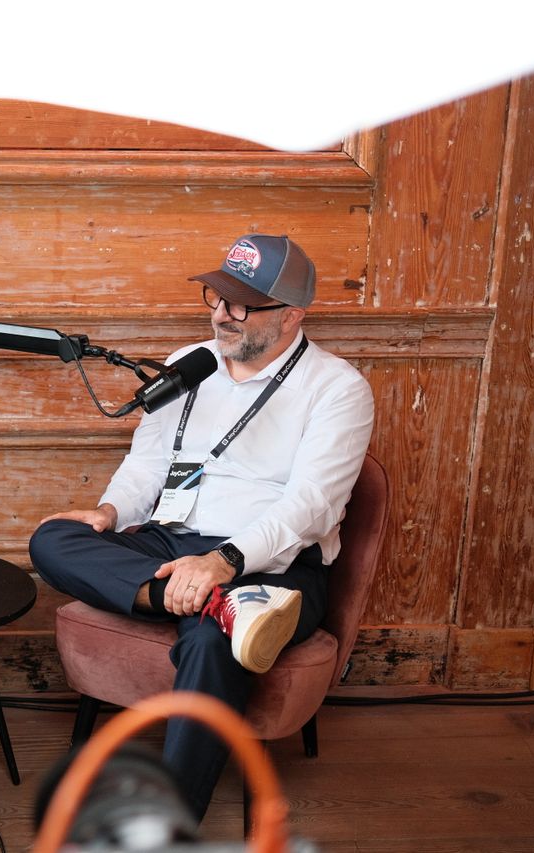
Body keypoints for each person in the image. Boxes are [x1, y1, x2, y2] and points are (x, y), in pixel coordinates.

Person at [29, 234, 374, 821]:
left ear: (292, 315)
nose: (220, 314)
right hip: (169, 542)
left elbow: (311, 506)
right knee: (52, 538)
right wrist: (109, 513)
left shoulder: (338, 389)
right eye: (217, 297)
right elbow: (149, 461)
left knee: (215, 645)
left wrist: (223, 564)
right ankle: (201, 601)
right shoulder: (190, 363)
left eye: (241, 304)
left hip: (272, 565)